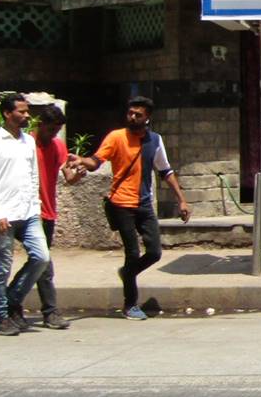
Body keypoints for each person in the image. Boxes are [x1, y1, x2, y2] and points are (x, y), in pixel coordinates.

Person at [73, 96, 190, 320]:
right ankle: (130, 304)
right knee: (132, 252)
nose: (133, 117)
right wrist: (81, 161)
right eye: (130, 113)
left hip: (144, 204)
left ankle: (127, 273)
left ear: (147, 118)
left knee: (155, 252)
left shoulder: (155, 141)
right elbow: (96, 161)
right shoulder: (116, 137)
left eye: (138, 114)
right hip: (121, 203)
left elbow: (165, 170)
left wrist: (181, 200)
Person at [0, 93, 51, 336]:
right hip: (4, 215)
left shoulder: (28, 142)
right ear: (7, 114)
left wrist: (35, 204)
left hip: (29, 211)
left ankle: (12, 299)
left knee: (41, 257)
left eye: (27, 111)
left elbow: (33, 176)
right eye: (21, 111)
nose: (27, 115)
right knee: (3, 266)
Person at [21, 104, 84, 329]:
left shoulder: (57, 146)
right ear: (40, 125)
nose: (53, 135)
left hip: (47, 212)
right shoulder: (26, 144)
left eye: (56, 131)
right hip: (28, 212)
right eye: (50, 130)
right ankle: (50, 311)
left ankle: (14, 304)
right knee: (43, 262)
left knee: (38, 261)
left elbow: (67, 176)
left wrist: (78, 174)